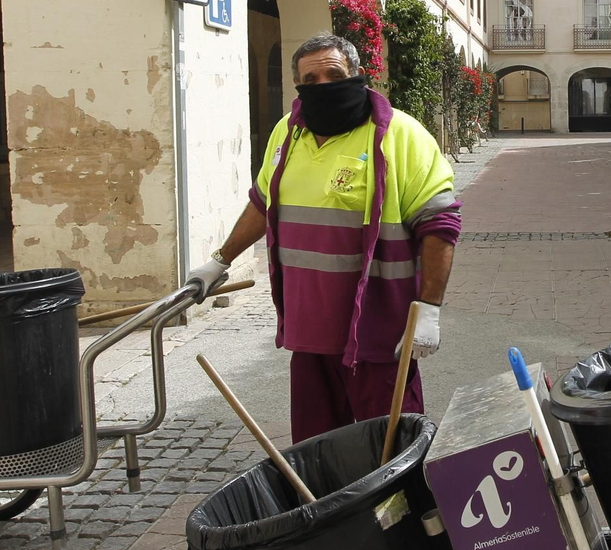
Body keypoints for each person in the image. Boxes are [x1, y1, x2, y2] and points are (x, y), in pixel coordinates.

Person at [188, 33, 460, 444]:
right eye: (309, 79)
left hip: (376, 330)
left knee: (390, 446)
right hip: (309, 330)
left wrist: (429, 309)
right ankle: (329, 508)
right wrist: (219, 261)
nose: (322, 86)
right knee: (317, 448)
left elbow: (440, 225)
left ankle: (399, 510)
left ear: (357, 76)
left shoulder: (400, 135)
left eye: (333, 74)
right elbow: (262, 203)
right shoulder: (288, 133)